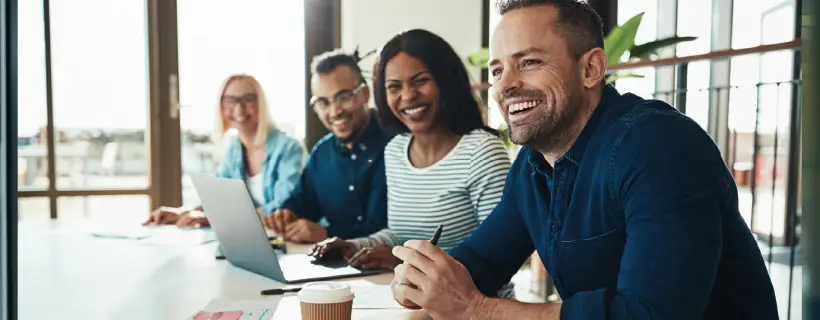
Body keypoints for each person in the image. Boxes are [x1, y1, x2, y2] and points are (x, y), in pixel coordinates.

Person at [389, 1, 779, 319]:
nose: (505, 86)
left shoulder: (659, 145)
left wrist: (476, 309)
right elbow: (481, 260)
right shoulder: (532, 164)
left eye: (529, 62)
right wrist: (425, 278)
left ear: (591, 68)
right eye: (497, 69)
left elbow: (650, 315)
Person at [309, 30, 512, 281]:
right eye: (394, 87)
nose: (407, 96)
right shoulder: (396, 150)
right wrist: (354, 246)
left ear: (445, 81)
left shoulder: (482, 151)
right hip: (409, 304)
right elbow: (398, 234)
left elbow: (501, 256)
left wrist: (404, 261)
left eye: (420, 81)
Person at [263, 49, 392, 243]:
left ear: (365, 94)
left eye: (343, 97)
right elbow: (302, 202)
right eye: (323, 102)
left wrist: (329, 234)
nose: (335, 111)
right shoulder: (321, 153)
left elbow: (392, 229)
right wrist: (286, 214)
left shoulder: (397, 145)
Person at [144, 74, 305, 228]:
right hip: (254, 239)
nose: (239, 109)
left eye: (248, 100)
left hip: (291, 241)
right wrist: (181, 212)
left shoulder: (288, 149)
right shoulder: (234, 148)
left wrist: (217, 219)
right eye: (230, 101)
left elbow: (283, 210)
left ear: (261, 104)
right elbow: (220, 201)